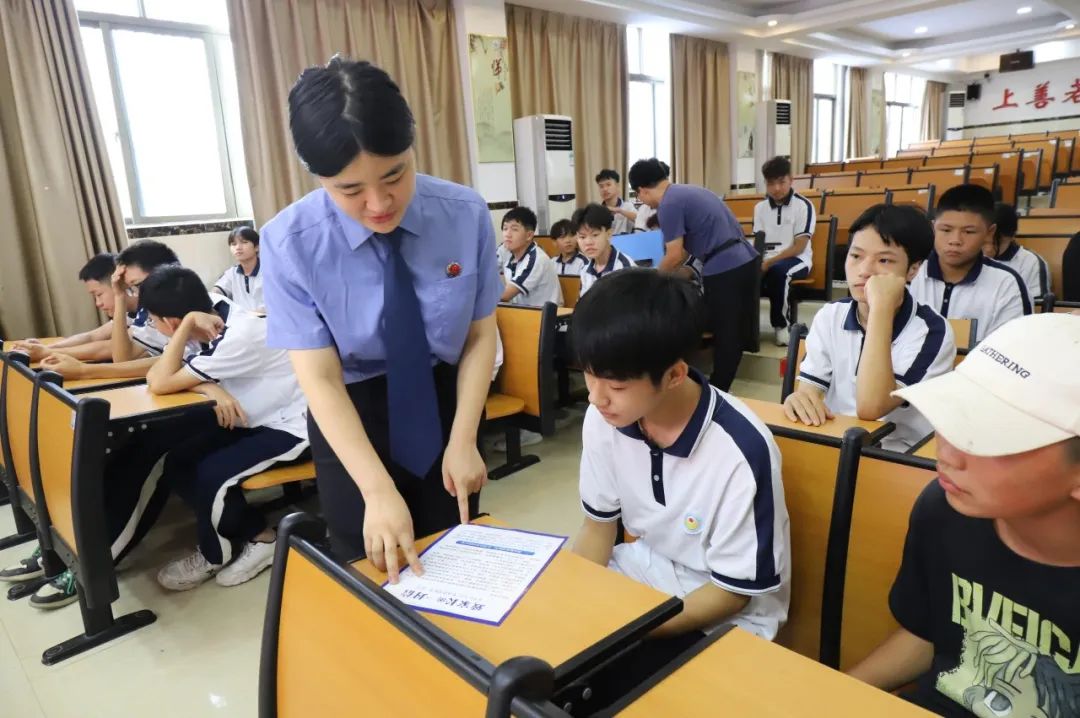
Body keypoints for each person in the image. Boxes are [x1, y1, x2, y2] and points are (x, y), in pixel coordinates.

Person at [259, 58, 498, 578]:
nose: (379, 203)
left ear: (412, 147)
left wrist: (463, 439)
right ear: (317, 176)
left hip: (445, 402)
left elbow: (481, 335)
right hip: (351, 413)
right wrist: (375, 489)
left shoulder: (464, 213)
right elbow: (319, 379)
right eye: (350, 190)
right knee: (371, 565)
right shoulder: (288, 243)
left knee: (455, 554)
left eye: (395, 175)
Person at [570, 269, 790, 711]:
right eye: (589, 376)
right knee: (550, 658)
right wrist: (573, 595)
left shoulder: (740, 451)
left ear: (673, 375)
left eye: (616, 386)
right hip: (645, 575)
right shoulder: (604, 418)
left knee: (612, 690)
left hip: (723, 616)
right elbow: (598, 528)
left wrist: (629, 628)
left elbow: (732, 594)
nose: (596, 398)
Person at [848, 313, 1080, 718]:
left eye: (989, 437)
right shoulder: (945, 510)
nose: (948, 452)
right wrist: (831, 695)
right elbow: (931, 636)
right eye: (955, 416)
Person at [138, 266, 309, 590]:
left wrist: (185, 326)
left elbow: (159, 382)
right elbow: (159, 377)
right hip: (256, 418)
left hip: (295, 427)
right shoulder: (213, 312)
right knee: (178, 462)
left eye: (153, 321)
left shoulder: (238, 335)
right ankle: (261, 536)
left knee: (213, 474)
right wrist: (210, 387)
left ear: (171, 323)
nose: (152, 327)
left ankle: (213, 554)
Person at [784, 205, 956, 451]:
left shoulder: (932, 331)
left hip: (898, 456)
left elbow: (871, 407)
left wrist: (881, 309)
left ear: (913, 269)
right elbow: (810, 390)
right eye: (856, 256)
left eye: (884, 260)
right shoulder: (830, 316)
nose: (864, 271)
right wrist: (801, 399)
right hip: (837, 442)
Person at [629, 158, 760, 390]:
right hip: (745, 260)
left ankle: (718, 389)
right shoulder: (688, 191)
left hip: (725, 267)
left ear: (641, 190)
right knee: (730, 328)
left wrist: (651, 281)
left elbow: (675, 254)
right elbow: (686, 250)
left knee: (726, 332)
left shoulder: (668, 204)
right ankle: (716, 384)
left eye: (639, 198)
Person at [909, 185, 1031, 342]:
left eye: (968, 232)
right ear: (933, 228)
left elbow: (1011, 348)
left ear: (989, 233)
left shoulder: (1007, 284)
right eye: (946, 230)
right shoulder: (909, 273)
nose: (955, 241)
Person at [10, 253, 119, 363]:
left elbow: (108, 348)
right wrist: (46, 348)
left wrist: (46, 352)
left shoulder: (130, 313)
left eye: (99, 294)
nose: (98, 303)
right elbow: (92, 336)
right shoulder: (124, 315)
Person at [753, 156, 816, 346]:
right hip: (767, 259)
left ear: (791, 179)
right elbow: (759, 242)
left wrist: (769, 263)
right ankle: (746, 328)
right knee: (739, 275)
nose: (776, 188)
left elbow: (799, 246)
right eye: (771, 183)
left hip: (797, 259)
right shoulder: (760, 208)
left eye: (781, 182)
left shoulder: (804, 206)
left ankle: (781, 326)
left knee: (779, 273)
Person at [984, 202, 1050, 300]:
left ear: (1012, 236)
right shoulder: (968, 256)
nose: (988, 249)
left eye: (996, 243)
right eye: (983, 242)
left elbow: (1038, 305)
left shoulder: (1030, 262)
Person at [499, 206, 563, 307]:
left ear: (529, 235)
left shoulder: (536, 259)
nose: (507, 234)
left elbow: (505, 295)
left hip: (547, 315)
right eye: (505, 228)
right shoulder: (508, 254)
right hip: (522, 313)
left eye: (514, 229)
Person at [574, 203, 636, 297]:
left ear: (609, 234)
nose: (588, 242)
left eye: (595, 235)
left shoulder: (625, 268)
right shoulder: (585, 270)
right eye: (582, 237)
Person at [212, 226, 264, 312]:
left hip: (266, 317)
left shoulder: (268, 271)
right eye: (233, 244)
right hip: (240, 318)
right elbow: (217, 291)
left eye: (244, 242)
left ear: (256, 247)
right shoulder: (232, 273)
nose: (238, 247)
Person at [596, 168, 635, 235]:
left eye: (608, 184)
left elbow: (640, 220)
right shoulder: (597, 211)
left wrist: (620, 211)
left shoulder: (627, 206)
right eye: (601, 186)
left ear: (617, 186)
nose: (605, 189)